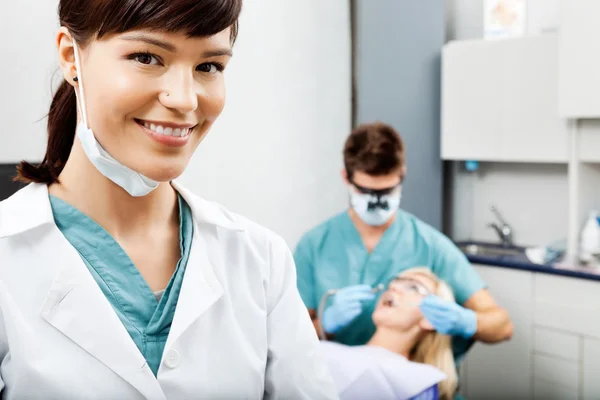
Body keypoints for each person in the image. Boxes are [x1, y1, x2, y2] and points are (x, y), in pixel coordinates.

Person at [0, 1, 337, 399]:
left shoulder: (259, 259)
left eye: (208, 66)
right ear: (72, 56)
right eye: (147, 57)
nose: (185, 99)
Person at [295, 122, 513, 364]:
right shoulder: (314, 245)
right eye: (367, 192)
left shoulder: (431, 246)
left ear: (402, 175)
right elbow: (287, 336)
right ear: (346, 177)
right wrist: (323, 325)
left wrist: (467, 322)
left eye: (387, 191)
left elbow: (502, 326)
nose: (377, 202)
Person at [321, 268, 458, 400]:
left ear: (430, 319)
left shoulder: (419, 381)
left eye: (413, 288)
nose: (393, 287)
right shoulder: (324, 350)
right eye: (395, 281)